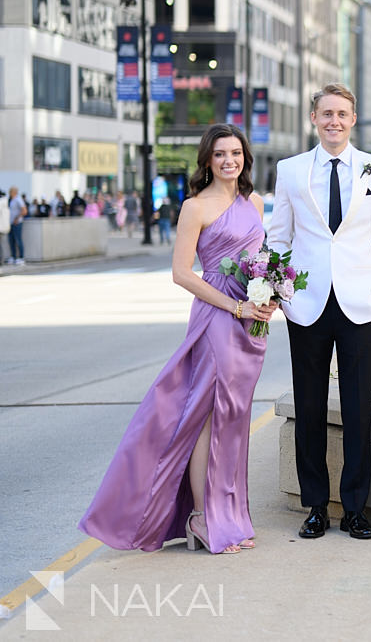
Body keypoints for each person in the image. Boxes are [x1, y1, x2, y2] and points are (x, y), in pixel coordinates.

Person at [80, 124, 276, 554]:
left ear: (245, 158)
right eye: (220, 154)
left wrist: (269, 295)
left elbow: (260, 261)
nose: (229, 161)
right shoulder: (195, 207)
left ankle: (228, 515)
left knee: (234, 418)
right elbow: (182, 272)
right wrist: (236, 307)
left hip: (251, 322)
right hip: (218, 318)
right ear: (207, 160)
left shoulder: (255, 203)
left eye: (236, 153)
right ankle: (205, 518)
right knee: (208, 416)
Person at [268, 83, 371, 541]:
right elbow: (279, 239)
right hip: (305, 305)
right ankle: (314, 507)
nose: (334, 121)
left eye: (343, 114)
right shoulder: (290, 171)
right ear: (314, 118)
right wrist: (282, 293)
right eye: (326, 113)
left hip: (360, 304)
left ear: (352, 118)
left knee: (357, 410)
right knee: (308, 408)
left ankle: (354, 508)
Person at [7, 187, 26, 265]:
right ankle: (13, 257)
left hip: (17, 223)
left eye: (10, 191)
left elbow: (24, 211)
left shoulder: (18, 199)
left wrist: (17, 218)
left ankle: (21, 257)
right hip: (10, 223)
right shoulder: (11, 200)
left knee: (18, 240)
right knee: (11, 240)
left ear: (13, 192)